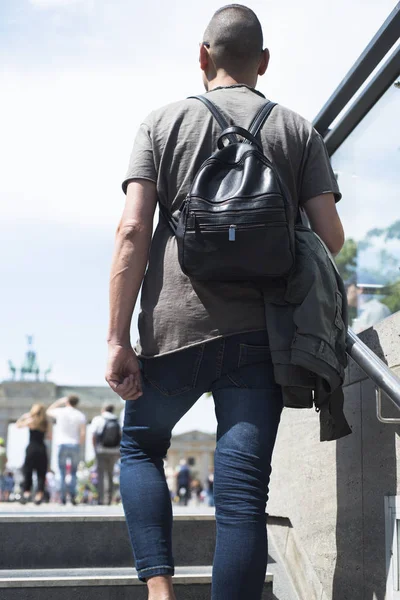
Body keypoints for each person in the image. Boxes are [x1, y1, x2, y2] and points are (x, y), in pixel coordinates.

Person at [105, 5, 345, 600]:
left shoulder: (162, 124)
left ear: (203, 56)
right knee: (241, 496)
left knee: (139, 446)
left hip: (173, 331)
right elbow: (331, 237)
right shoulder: (295, 129)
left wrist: (116, 337)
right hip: (261, 337)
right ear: (263, 63)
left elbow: (133, 232)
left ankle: (160, 592)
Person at [46, 395, 86, 505]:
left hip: (61, 444)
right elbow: (82, 433)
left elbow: (48, 411)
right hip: (74, 444)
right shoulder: (80, 415)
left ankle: (62, 497)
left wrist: (59, 401)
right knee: (73, 471)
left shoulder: (60, 412)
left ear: (67, 401)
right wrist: (79, 444)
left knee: (62, 471)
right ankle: (72, 495)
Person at [16, 404, 49, 505]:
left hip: (31, 448)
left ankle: (26, 493)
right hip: (42, 448)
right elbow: (50, 436)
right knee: (41, 473)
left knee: (28, 471)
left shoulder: (31, 421)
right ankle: (39, 495)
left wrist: (24, 417)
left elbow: (18, 425)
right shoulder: (45, 423)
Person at [91, 403, 121, 505]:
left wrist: (94, 448)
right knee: (110, 474)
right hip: (114, 451)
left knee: (101, 474)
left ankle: (101, 498)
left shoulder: (99, 419)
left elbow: (94, 435)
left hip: (102, 450)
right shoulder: (117, 420)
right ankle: (108, 498)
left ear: (103, 409)